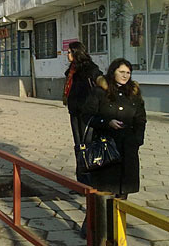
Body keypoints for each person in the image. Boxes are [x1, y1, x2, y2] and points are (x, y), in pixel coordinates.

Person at [83, 58, 147, 199]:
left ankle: (118, 220)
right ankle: (96, 221)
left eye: (128, 72)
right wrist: (107, 122)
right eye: (121, 72)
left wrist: (137, 139)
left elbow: (141, 118)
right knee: (103, 194)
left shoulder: (133, 93)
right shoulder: (100, 92)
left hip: (127, 148)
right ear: (113, 72)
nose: (125, 75)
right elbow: (87, 115)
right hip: (106, 148)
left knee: (123, 193)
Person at [63, 41, 102, 186]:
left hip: (87, 113)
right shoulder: (72, 70)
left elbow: (99, 83)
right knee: (78, 146)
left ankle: (91, 181)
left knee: (88, 146)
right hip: (74, 112)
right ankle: (81, 182)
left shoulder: (89, 68)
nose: (67, 54)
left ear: (76, 52)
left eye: (69, 52)